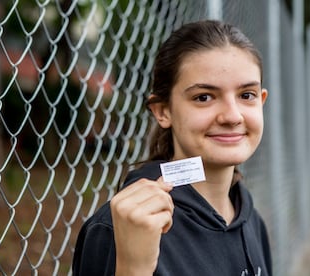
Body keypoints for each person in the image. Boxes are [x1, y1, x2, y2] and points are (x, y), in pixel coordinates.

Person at [72, 20, 272, 276]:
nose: (232, 116)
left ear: (261, 100)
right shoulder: (122, 227)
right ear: (163, 111)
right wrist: (133, 269)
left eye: (246, 95)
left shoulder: (252, 220)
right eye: (204, 97)